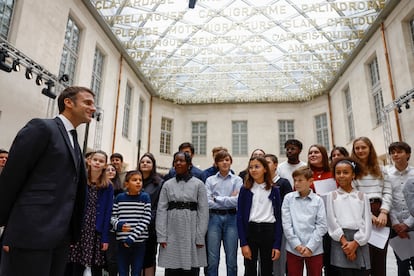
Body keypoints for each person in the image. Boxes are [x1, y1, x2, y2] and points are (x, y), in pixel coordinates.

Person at [0, 86, 95, 276]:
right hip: (32, 234)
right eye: (87, 102)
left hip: (60, 237)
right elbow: (13, 175)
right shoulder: (42, 127)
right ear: (68, 103)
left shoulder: (74, 141)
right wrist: (8, 228)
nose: (93, 108)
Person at [156, 151, 209, 276]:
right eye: (176, 161)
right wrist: (162, 235)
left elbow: (203, 211)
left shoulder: (199, 185)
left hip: (191, 229)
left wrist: (200, 235)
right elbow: (161, 210)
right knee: (172, 268)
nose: (178, 163)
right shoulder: (167, 185)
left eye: (182, 160)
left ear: (189, 164)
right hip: (172, 229)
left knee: (191, 268)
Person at [65, 150, 114, 276]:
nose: (97, 163)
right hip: (79, 227)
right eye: (95, 160)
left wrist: (105, 238)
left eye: (101, 161)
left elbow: (108, 212)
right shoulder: (80, 180)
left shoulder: (108, 186)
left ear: (105, 165)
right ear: (89, 161)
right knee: (73, 262)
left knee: (93, 264)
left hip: (95, 230)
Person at [351, 136, 391, 276]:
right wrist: (369, 215)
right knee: (364, 258)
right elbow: (353, 195)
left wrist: (384, 212)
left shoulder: (381, 168)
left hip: (380, 213)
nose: (360, 150)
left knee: (380, 259)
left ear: (370, 149)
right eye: (357, 148)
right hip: (361, 213)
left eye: (363, 147)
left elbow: (387, 191)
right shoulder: (352, 170)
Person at [237, 156, 282, 276]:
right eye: (250, 167)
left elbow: (279, 219)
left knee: (267, 268)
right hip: (251, 231)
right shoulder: (245, 190)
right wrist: (243, 243)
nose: (253, 170)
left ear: (265, 169)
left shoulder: (274, 190)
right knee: (250, 268)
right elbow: (240, 217)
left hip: (268, 231)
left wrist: (277, 244)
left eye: (257, 167)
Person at [327, 157, 372, 275]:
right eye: (338, 173)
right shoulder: (332, 196)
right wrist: (344, 243)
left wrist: (355, 243)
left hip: (359, 241)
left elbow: (367, 222)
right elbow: (331, 220)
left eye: (345, 172)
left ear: (353, 175)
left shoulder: (362, 196)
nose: (341, 175)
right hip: (340, 241)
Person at [282, 166, 327, 276]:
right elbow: (286, 224)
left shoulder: (318, 200)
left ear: (310, 181)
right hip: (294, 248)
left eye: (300, 180)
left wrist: (311, 247)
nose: (296, 183)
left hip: (314, 248)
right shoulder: (288, 198)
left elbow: (322, 225)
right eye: (295, 180)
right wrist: (296, 244)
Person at [205, 150, 242, 276]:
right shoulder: (210, 180)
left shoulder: (237, 180)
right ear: (216, 163)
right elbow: (207, 202)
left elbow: (237, 202)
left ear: (231, 162)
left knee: (231, 258)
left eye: (227, 160)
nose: (225, 162)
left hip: (232, 218)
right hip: (213, 218)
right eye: (221, 160)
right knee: (213, 258)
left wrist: (217, 198)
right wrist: (228, 199)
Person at [111, 170, 152, 276]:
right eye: (134, 180)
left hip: (139, 243)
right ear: (126, 184)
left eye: (140, 180)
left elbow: (146, 218)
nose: (138, 182)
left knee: (136, 272)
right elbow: (112, 217)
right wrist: (118, 225)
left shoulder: (145, 197)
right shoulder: (119, 198)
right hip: (122, 243)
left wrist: (131, 238)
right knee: (122, 272)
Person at [385, 142, 414, 276]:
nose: (395, 155)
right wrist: (395, 223)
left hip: (413, 225)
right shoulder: (386, 174)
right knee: (401, 264)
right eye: (393, 152)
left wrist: (408, 223)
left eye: (399, 151)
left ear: (407, 154)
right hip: (395, 227)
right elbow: (386, 199)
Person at [308, 144, 336, 275]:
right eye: (310, 153)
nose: (312, 155)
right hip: (312, 223)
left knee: (331, 260)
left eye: (316, 152)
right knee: (315, 261)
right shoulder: (306, 173)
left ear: (324, 155)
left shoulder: (333, 172)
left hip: (332, 221)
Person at [264, 153, 292, 276]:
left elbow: (288, 206)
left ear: (275, 165)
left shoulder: (284, 183)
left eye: (268, 162)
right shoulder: (260, 184)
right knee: (264, 261)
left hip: (279, 225)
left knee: (279, 260)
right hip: (264, 225)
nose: (265, 165)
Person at [138, 152, 164, 276]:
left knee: (148, 259)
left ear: (153, 165)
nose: (145, 164)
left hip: (150, 227)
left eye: (148, 162)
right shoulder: (134, 179)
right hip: (133, 226)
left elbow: (160, 205)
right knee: (135, 259)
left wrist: (147, 219)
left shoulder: (159, 183)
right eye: (142, 162)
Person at [104, 163, 124, 276]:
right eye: (108, 170)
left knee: (112, 259)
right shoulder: (98, 188)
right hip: (100, 227)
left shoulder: (120, 192)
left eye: (113, 170)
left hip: (113, 229)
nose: (111, 171)